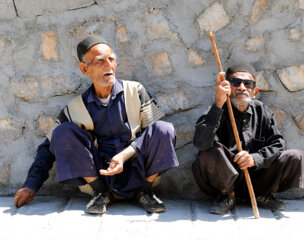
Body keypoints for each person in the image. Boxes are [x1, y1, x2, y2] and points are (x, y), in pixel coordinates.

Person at [13, 35, 179, 214]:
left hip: (137, 170)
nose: (108, 65)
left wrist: (123, 156)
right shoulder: (75, 108)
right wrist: (31, 185)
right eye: (100, 61)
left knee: (164, 128)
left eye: (111, 59)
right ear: (84, 69)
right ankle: (100, 193)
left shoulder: (135, 90)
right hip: (100, 175)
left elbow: (154, 134)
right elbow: (47, 148)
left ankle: (145, 191)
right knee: (62, 132)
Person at [192, 62, 304, 215]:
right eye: (235, 82)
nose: (241, 87)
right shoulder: (217, 109)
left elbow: (278, 144)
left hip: (257, 178)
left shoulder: (262, 111)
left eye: (248, 84)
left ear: (255, 91)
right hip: (224, 180)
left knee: (295, 156)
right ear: (227, 87)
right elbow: (201, 142)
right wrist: (218, 102)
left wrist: (254, 158)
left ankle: (261, 195)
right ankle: (227, 196)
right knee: (209, 150)